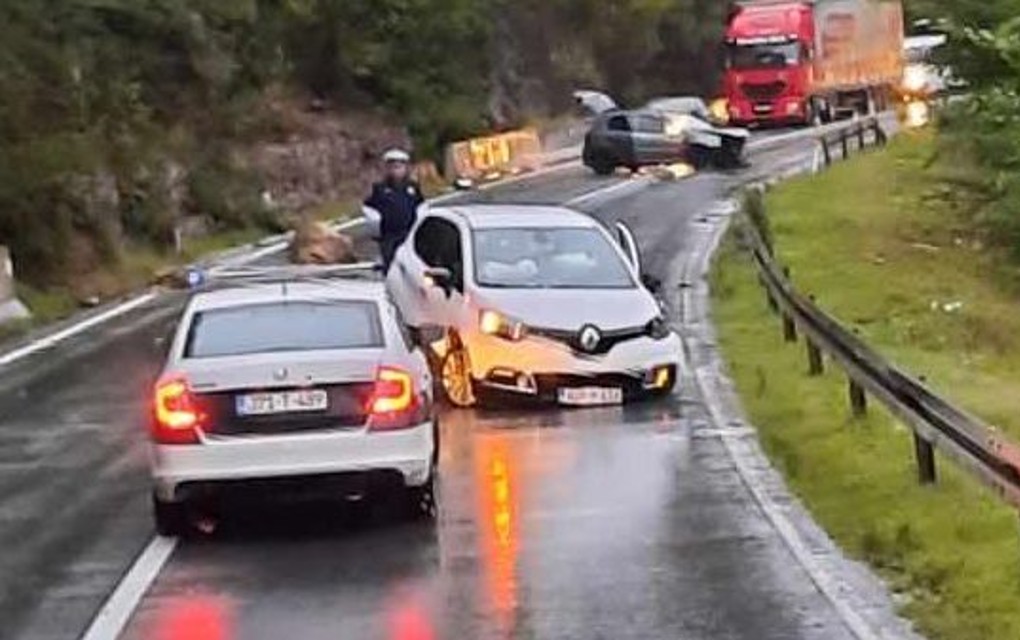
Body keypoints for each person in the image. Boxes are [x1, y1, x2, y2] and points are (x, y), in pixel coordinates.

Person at [364, 148, 425, 272]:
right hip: (388, 236)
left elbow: (421, 205)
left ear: (405, 168)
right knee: (391, 267)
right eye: (393, 167)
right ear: (387, 168)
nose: (396, 170)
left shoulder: (412, 187)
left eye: (400, 167)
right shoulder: (379, 188)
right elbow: (369, 208)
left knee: (411, 267)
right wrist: (375, 225)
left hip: (409, 234)